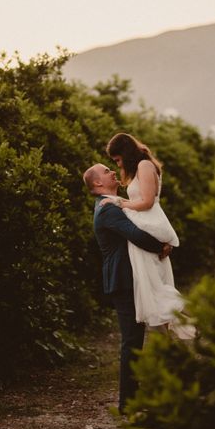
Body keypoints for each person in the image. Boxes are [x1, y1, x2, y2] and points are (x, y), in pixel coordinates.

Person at [83, 162, 172, 414]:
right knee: (131, 340)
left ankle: (132, 401)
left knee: (135, 338)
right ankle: (128, 404)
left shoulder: (115, 203)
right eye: (107, 171)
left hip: (128, 278)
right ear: (98, 183)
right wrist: (162, 246)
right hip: (122, 280)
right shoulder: (107, 208)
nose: (113, 172)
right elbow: (135, 233)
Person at [101, 133, 196, 340]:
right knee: (151, 287)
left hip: (149, 222)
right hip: (143, 222)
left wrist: (120, 203)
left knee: (154, 287)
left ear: (125, 153)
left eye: (117, 160)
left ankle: (196, 320)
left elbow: (147, 202)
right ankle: (173, 343)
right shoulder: (139, 168)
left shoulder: (144, 165)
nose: (117, 165)